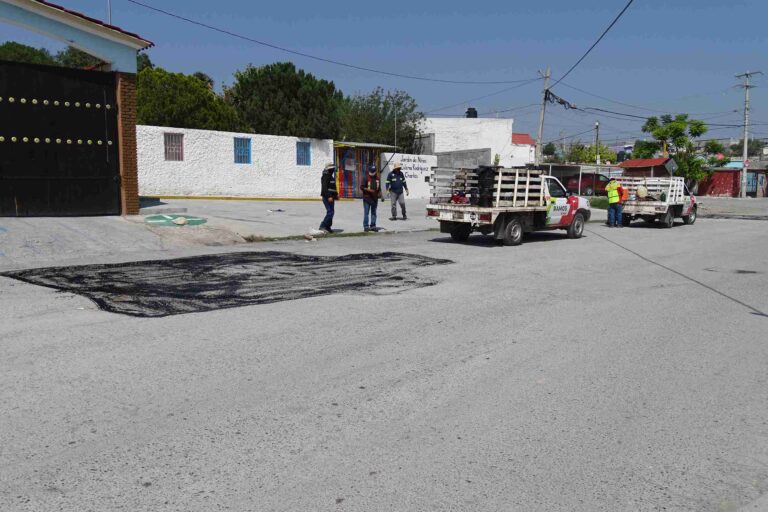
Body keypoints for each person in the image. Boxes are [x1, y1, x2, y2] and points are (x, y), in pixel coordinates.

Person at [360, 164, 381, 232]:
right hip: (367, 198)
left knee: (374, 213)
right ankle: (366, 226)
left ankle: (373, 225)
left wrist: (381, 194)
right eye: (371, 172)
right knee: (366, 213)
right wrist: (369, 190)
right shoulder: (365, 178)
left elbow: (379, 188)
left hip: (375, 199)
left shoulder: (377, 178)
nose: (372, 173)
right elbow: (361, 187)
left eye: (373, 172)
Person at [319, 162, 338, 233]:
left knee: (331, 212)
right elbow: (324, 188)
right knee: (330, 212)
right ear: (328, 169)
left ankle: (328, 227)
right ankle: (322, 226)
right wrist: (329, 196)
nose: (333, 170)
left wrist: (336, 195)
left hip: (332, 197)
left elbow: (333, 187)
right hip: (327, 197)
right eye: (332, 169)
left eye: (333, 168)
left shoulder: (331, 176)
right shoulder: (325, 176)